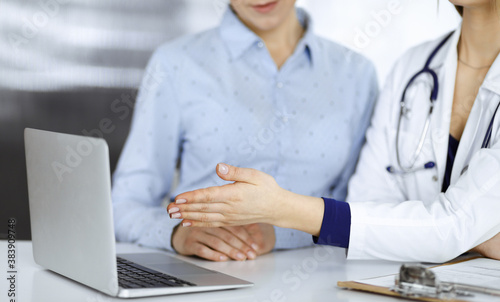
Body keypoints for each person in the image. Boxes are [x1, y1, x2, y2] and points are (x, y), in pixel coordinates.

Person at [167, 0, 500, 263]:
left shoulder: (355, 72)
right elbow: (368, 203)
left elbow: (449, 226)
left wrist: (281, 207)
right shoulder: (411, 69)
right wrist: (471, 235)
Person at [112, 0, 378, 262]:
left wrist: (279, 232)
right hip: (204, 276)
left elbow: (364, 211)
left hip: (321, 284)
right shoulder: (175, 63)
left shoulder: (357, 74)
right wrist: (175, 234)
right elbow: (123, 205)